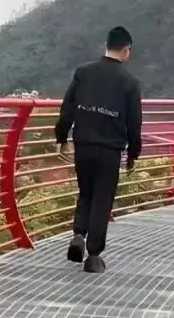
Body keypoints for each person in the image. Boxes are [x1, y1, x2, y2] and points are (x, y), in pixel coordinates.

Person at [54, 26, 143, 273]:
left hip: (83, 144)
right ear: (127, 50)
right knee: (102, 199)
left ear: (106, 45)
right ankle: (93, 255)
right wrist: (133, 153)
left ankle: (78, 235)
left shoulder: (83, 72)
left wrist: (62, 137)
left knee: (86, 192)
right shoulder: (129, 83)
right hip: (110, 150)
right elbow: (134, 123)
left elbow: (67, 108)